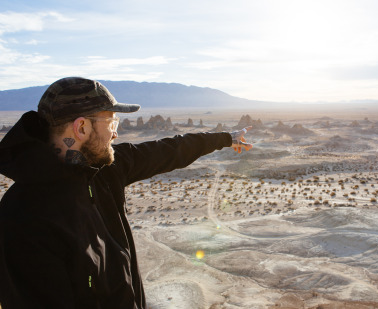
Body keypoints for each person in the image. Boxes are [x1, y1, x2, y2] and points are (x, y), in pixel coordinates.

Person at [0, 77, 252, 308]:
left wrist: (225, 138)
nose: (116, 132)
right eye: (111, 121)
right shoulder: (23, 218)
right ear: (81, 128)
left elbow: (168, 150)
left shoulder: (104, 170)